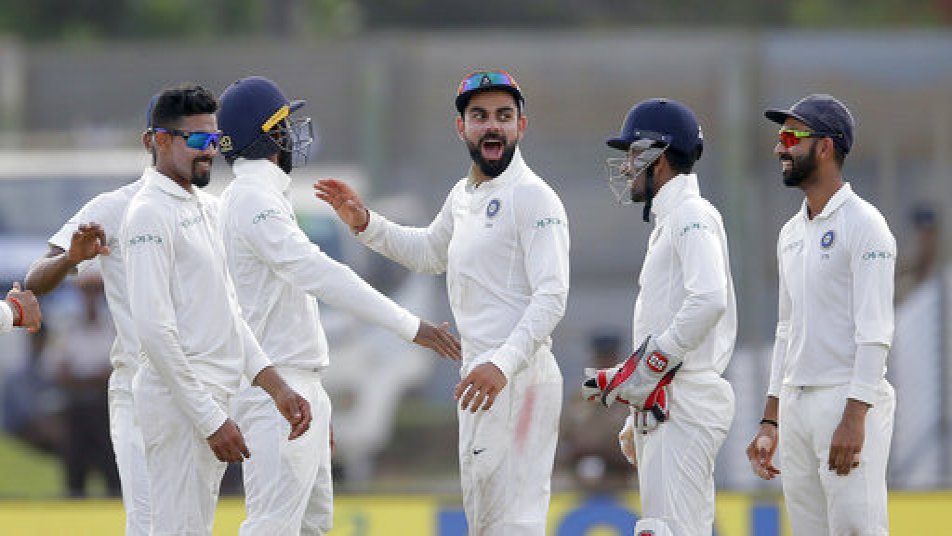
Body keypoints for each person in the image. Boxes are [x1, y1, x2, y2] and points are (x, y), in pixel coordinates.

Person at [315, 69, 569, 535]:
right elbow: (430, 253)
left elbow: (552, 298)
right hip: (478, 380)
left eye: (503, 116)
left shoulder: (534, 198)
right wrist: (365, 223)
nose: (492, 126)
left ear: (521, 126)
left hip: (518, 377)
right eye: (479, 116)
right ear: (462, 128)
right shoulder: (464, 195)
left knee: (516, 523)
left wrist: (503, 364)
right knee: (488, 524)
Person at [215, 75, 462, 535]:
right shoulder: (252, 199)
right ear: (267, 135)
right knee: (272, 527)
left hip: (297, 385)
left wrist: (317, 398)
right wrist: (411, 326)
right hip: (278, 389)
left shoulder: (259, 197)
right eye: (284, 125)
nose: (293, 135)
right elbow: (320, 273)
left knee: (312, 528)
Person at [120, 83, 311, 536]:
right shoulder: (148, 213)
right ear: (158, 141)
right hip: (179, 403)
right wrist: (209, 420)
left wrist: (277, 387)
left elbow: (229, 315)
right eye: (198, 140)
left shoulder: (206, 207)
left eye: (214, 138)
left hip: (212, 399)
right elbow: (153, 331)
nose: (210, 151)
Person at [581, 98, 737, 536]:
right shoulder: (673, 218)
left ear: (660, 156)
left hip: (681, 399)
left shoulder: (690, 215)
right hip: (666, 402)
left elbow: (709, 299)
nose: (627, 165)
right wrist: (637, 406)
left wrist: (647, 368)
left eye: (633, 153)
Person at [746, 94, 896, 535]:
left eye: (791, 137)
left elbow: (876, 331)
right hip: (797, 403)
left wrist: (855, 417)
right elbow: (786, 327)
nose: (780, 149)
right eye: (779, 138)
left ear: (826, 147)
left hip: (845, 400)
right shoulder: (790, 233)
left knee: (856, 529)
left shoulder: (865, 225)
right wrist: (771, 419)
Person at [24, 94, 159, 534]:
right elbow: (37, 279)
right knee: (143, 515)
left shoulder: (209, 209)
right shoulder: (115, 207)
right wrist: (66, 265)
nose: (90, 298)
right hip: (121, 397)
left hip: (187, 389)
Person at [45, 271, 121, 497]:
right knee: (75, 467)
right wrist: (92, 378)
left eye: (95, 290)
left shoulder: (113, 326)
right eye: (86, 290)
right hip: (76, 406)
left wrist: (86, 377)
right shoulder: (67, 327)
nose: (91, 296)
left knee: (112, 464)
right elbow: (56, 370)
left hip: (105, 407)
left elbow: (117, 369)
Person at [559, 330, 633, 495]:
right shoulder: (580, 396)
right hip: (579, 483)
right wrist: (576, 451)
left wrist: (604, 452)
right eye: (601, 358)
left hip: (621, 485)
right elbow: (563, 438)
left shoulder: (631, 398)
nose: (605, 365)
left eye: (609, 359)